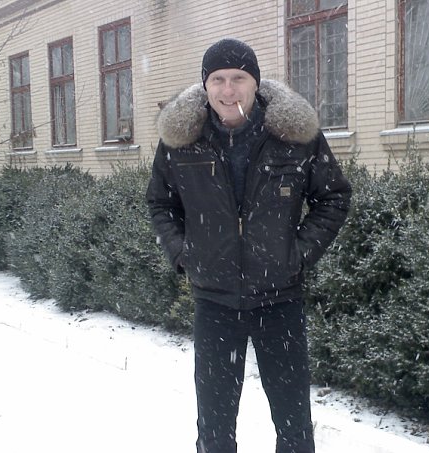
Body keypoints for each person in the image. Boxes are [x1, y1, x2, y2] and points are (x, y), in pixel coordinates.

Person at [146, 38, 351, 453]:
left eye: (238, 78)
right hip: (214, 301)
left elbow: (333, 197)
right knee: (215, 425)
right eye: (218, 79)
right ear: (205, 86)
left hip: (280, 300)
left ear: (255, 83)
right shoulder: (183, 142)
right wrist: (184, 254)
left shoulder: (292, 137)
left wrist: (298, 254)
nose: (228, 90)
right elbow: (160, 203)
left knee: (294, 424)